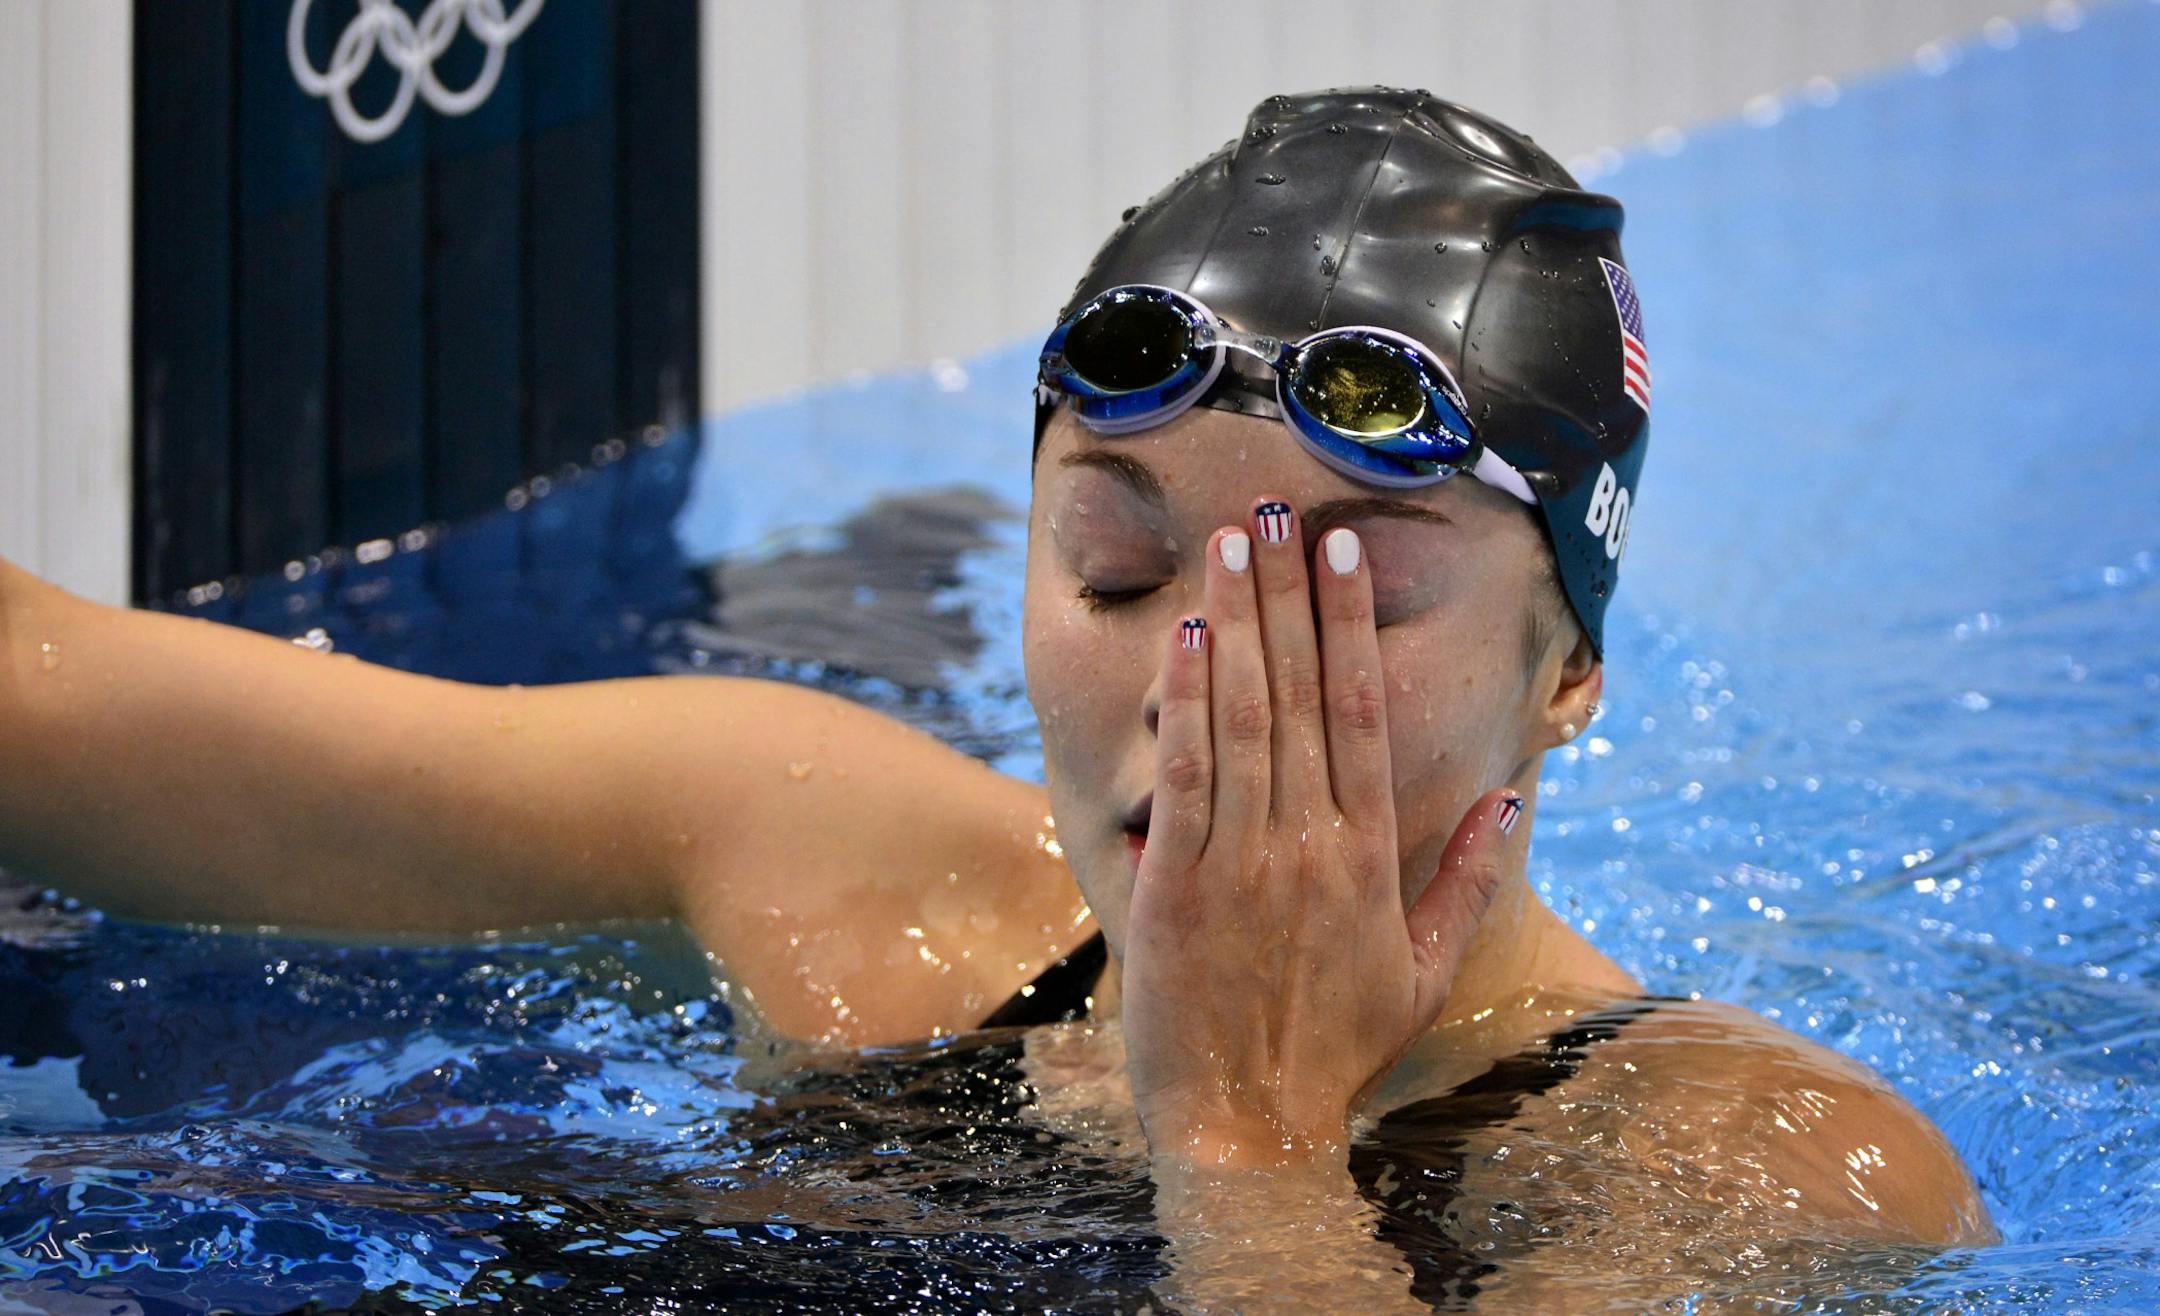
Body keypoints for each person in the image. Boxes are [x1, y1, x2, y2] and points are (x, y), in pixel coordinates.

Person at [0, 88, 1992, 1307]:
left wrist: (1247, 1145)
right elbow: (44, 697)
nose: (1201, 683)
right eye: (1117, 567)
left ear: (1570, 669)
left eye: (1353, 594)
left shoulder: (1733, 1173)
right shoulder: (837, 865)